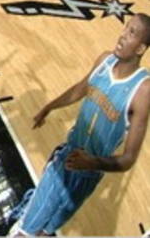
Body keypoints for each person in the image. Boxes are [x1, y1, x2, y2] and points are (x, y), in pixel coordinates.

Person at [9, 13, 150, 236]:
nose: (122, 35)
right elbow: (79, 89)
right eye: (125, 27)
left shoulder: (142, 91)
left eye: (131, 32)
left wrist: (91, 162)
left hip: (89, 175)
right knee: (25, 233)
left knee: (46, 232)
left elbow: (128, 159)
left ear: (141, 48)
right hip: (65, 160)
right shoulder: (104, 60)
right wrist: (50, 106)